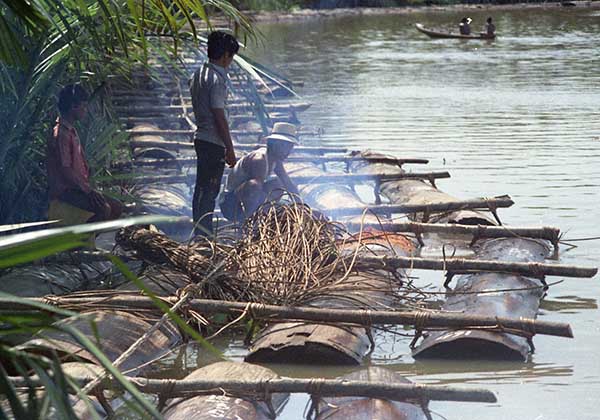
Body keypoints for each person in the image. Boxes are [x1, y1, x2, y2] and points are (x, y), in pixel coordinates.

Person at [47, 84, 122, 223]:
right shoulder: (61, 133)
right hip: (66, 190)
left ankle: (87, 238)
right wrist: (88, 190)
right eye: (83, 106)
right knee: (103, 210)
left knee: (117, 207)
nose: (85, 110)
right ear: (73, 106)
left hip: (77, 188)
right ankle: (81, 241)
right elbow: (66, 170)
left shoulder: (70, 131)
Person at [190, 31, 239, 236]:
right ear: (225, 54)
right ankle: (205, 235)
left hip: (201, 137)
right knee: (210, 190)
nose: (231, 61)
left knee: (201, 189)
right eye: (231, 57)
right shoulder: (217, 79)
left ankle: (200, 231)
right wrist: (229, 147)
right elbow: (219, 116)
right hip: (213, 140)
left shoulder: (199, 74)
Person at [219, 122, 299, 222]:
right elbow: (254, 190)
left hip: (250, 202)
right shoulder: (259, 159)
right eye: (286, 147)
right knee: (254, 185)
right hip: (230, 205)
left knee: (279, 184)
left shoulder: (275, 160)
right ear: (275, 144)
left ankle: (260, 216)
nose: (288, 152)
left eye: (290, 147)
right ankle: (247, 222)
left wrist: (300, 206)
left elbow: (288, 184)